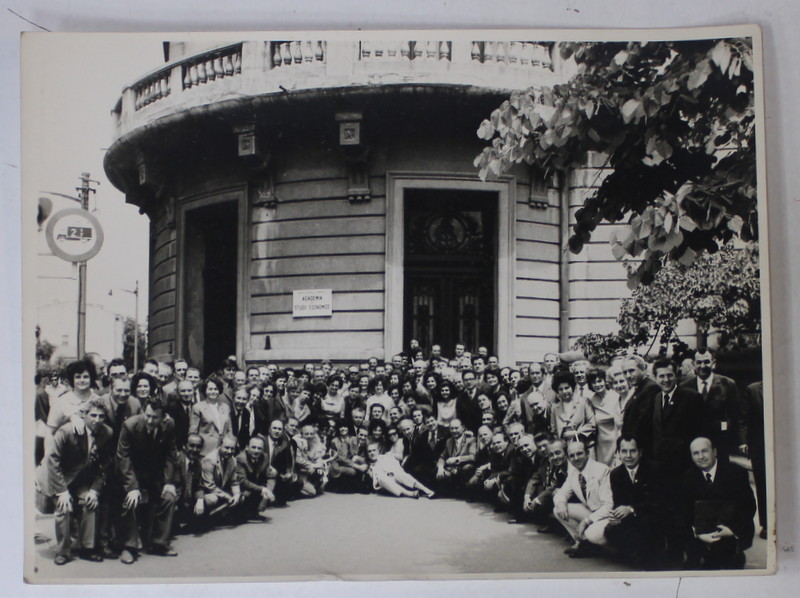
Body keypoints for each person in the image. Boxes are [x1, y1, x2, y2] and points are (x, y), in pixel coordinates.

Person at [36, 398, 114, 565]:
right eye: (93, 415)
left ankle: (88, 548)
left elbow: (104, 465)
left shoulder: (106, 433)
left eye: (101, 416)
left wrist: (94, 490)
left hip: (81, 479)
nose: (97, 420)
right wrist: (62, 492)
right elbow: (53, 460)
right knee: (63, 508)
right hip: (59, 477)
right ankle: (63, 551)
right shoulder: (67, 431)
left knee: (90, 502)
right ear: (84, 415)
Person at [116, 399, 180, 564]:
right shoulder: (130, 426)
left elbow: (171, 454)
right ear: (143, 412)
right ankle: (129, 547)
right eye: (148, 416)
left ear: (163, 417)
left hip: (156, 475)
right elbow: (123, 457)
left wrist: (168, 482)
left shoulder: (170, 425)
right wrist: (132, 486)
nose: (150, 421)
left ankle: (159, 544)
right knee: (131, 499)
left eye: (155, 418)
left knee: (169, 498)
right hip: (133, 474)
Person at [681, 436, 756, 569]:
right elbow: (684, 512)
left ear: (714, 451)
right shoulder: (687, 478)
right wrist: (698, 533)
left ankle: (735, 555)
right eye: (696, 453)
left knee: (730, 564)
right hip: (701, 534)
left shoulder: (736, 473)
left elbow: (748, 506)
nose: (701, 456)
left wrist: (732, 530)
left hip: (728, 531)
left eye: (704, 451)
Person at [604, 435, 662, 569]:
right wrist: (615, 517)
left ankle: (648, 557)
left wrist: (631, 509)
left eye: (633, 451)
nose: (628, 455)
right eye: (624, 451)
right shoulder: (615, 474)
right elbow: (618, 502)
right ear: (618, 453)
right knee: (610, 531)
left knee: (647, 530)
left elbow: (659, 503)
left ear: (640, 453)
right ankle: (633, 554)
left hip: (651, 517)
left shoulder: (653, 470)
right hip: (631, 520)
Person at [680, 348, 746, 460]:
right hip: (694, 442)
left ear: (713, 363)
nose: (702, 366)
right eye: (699, 362)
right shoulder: (684, 387)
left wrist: (742, 441)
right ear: (694, 364)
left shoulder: (728, 384)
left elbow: (737, 415)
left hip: (720, 442)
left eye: (706, 362)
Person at [553, 439, 613, 558]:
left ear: (587, 453)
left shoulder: (602, 470)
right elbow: (562, 493)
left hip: (605, 515)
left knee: (592, 534)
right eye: (572, 456)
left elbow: (609, 506)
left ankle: (606, 548)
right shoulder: (574, 473)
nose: (576, 458)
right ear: (568, 458)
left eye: (579, 453)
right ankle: (583, 543)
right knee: (558, 510)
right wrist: (560, 503)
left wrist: (586, 521)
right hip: (591, 511)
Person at [46, 359, 100, 453]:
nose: (82, 380)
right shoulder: (60, 402)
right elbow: (49, 433)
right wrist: (50, 460)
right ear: (72, 379)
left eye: (86, 377)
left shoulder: (98, 401)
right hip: (67, 456)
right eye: (78, 377)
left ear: (91, 378)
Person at [523, 438, 569, 533]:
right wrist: (527, 496)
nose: (555, 457)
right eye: (551, 454)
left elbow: (557, 486)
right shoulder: (545, 462)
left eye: (558, 453)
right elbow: (535, 478)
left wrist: (538, 499)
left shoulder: (571, 465)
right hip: (551, 491)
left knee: (555, 495)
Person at [742, 380, 767, 539]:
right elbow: (744, 418)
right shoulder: (752, 390)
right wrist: (743, 441)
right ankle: (766, 523)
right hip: (760, 446)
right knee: (763, 484)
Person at [366, 443, 435, 498]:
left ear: (378, 451)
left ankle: (426, 490)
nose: (372, 453)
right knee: (382, 478)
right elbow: (376, 481)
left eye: (374, 450)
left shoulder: (386, 457)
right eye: (369, 451)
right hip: (386, 484)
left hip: (396, 476)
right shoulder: (371, 466)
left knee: (397, 473)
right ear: (367, 454)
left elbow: (397, 467)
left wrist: (391, 472)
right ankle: (410, 494)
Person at [200, 435, 243, 522]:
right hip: (207, 492)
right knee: (213, 499)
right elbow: (209, 486)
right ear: (219, 445)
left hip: (220, 491)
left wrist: (237, 494)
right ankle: (203, 520)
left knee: (240, 498)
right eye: (227, 448)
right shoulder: (209, 460)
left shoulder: (232, 460)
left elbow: (234, 482)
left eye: (232, 448)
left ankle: (219, 517)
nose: (230, 451)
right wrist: (226, 496)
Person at [549, 371, 596, 448]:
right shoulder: (555, 408)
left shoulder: (584, 402)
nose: (564, 391)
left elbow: (592, 424)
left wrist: (576, 433)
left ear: (572, 387)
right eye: (561, 389)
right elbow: (554, 431)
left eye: (567, 388)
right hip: (566, 448)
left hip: (585, 445)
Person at [234, 435, 276, 520]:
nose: (256, 451)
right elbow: (242, 481)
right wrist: (262, 489)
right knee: (247, 493)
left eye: (259, 448)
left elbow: (270, 477)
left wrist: (267, 494)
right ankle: (242, 513)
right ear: (247, 447)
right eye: (253, 447)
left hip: (256, 486)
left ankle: (253, 512)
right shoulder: (240, 458)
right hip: (241, 488)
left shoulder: (265, 457)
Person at [586, 368, 622, 466]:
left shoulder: (616, 397)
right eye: (594, 382)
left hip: (615, 442)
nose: (597, 385)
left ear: (605, 381)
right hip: (601, 445)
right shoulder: (591, 400)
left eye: (599, 381)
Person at [190, 377, 232, 457]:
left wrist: (228, 444)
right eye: (210, 389)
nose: (213, 391)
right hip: (205, 449)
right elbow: (193, 430)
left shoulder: (225, 407)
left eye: (215, 389)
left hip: (223, 449)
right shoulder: (198, 407)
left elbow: (229, 430)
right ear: (205, 391)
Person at [435, 419, 476, 495]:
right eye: (452, 428)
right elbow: (442, 457)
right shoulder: (449, 441)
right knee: (436, 471)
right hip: (451, 470)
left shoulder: (471, 440)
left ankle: (465, 492)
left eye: (456, 428)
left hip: (463, 469)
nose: (454, 431)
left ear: (463, 428)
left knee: (468, 467)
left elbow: (472, 457)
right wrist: (440, 468)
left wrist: (457, 459)